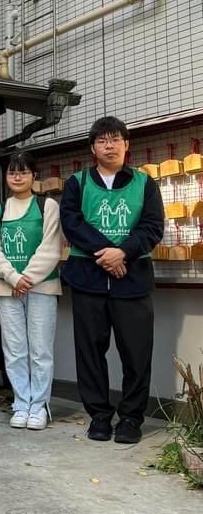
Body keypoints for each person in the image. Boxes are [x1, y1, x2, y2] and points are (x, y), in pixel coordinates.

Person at [59, 116, 164, 444]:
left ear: (126, 144)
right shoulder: (77, 183)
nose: (109, 145)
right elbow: (72, 224)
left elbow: (152, 227)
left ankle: (131, 419)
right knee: (89, 352)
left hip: (132, 282)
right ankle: (100, 417)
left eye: (115, 139)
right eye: (102, 141)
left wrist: (124, 253)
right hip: (88, 281)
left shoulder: (145, 184)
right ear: (93, 148)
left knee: (137, 353)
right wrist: (108, 253)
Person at [0, 152, 63, 430]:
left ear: (33, 176)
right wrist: (12, 277)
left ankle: (39, 406)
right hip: (6, 289)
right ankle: (21, 403)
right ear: (6, 178)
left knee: (40, 350)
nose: (17, 177)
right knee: (15, 349)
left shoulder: (47, 206)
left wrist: (25, 278)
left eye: (24, 172)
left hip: (42, 287)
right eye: (12, 173)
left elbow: (51, 246)